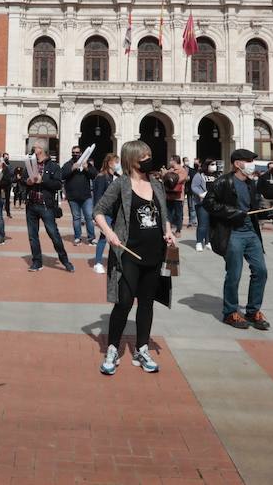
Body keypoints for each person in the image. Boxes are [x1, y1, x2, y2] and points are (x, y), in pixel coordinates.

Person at [93, 140, 175, 375]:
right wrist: (110, 234)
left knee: (147, 303)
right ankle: (112, 348)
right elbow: (97, 210)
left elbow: (164, 216)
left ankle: (141, 348)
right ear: (132, 159)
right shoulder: (121, 184)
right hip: (128, 253)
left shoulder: (156, 184)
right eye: (144, 156)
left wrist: (168, 232)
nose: (149, 159)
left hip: (154, 253)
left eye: (149, 155)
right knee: (124, 302)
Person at [203, 148, 273, 331]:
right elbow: (208, 203)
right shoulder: (223, 182)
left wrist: (268, 212)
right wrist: (232, 213)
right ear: (237, 164)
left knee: (261, 271)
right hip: (232, 233)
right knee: (234, 273)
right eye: (248, 160)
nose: (252, 164)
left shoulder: (251, 183)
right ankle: (230, 312)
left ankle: (253, 311)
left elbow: (253, 206)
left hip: (252, 233)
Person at [24, 142, 73, 273]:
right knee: (32, 236)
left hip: (46, 206)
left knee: (53, 234)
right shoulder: (30, 164)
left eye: (37, 147)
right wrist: (28, 181)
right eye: (34, 147)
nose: (34, 148)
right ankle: (37, 262)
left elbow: (58, 184)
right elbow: (23, 180)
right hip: (31, 205)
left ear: (43, 150)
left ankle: (65, 260)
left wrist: (43, 181)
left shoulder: (53, 166)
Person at [91, 153, 120, 273]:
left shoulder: (117, 177)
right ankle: (98, 262)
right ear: (109, 163)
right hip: (106, 213)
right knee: (104, 237)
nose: (118, 165)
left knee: (117, 237)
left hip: (116, 212)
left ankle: (115, 260)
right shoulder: (101, 177)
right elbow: (97, 197)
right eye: (116, 162)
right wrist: (96, 216)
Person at [62, 145, 97, 246]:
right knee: (76, 218)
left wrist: (87, 168)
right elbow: (62, 175)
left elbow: (95, 175)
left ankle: (91, 238)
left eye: (77, 153)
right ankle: (77, 237)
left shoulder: (87, 164)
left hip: (86, 196)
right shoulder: (68, 164)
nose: (75, 154)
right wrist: (72, 169)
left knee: (89, 217)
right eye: (73, 152)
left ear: (81, 153)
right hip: (72, 197)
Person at [163, 156, 188, 232]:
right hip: (169, 195)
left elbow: (175, 180)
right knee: (168, 213)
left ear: (175, 161)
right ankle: (168, 229)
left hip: (178, 196)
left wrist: (167, 176)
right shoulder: (169, 170)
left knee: (178, 214)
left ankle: (178, 230)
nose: (170, 162)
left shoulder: (182, 170)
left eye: (171, 160)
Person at [190, 161, 210, 252]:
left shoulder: (217, 175)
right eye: (212, 164)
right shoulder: (199, 175)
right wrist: (201, 194)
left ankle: (208, 241)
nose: (214, 166)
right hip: (202, 202)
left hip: (213, 203)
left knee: (210, 223)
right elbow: (194, 187)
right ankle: (199, 241)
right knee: (203, 223)